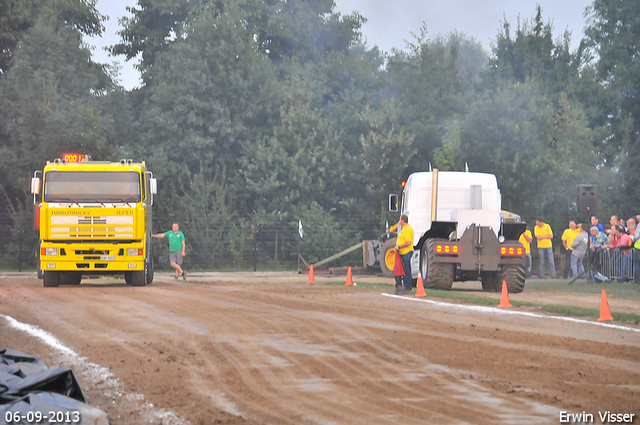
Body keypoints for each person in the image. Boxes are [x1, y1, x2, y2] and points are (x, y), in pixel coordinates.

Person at [394, 214, 414, 295]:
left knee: (406, 270)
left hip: (406, 252)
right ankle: (399, 286)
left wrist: (399, 246)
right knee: (400, 269)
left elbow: (408, 242)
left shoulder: (407, 229)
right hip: (401, 252)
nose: (399, 221)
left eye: (400, 219)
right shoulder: (404, 229)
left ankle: (407, 287)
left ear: (402, 220)